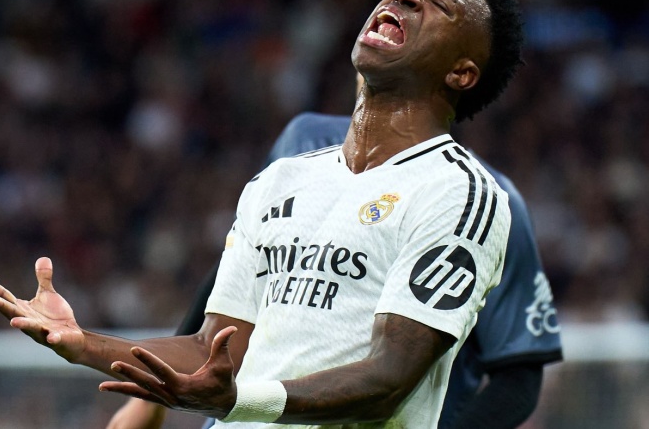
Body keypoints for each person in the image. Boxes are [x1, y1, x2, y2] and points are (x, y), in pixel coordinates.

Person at [0, 0, 523, 428]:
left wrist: (241, 401)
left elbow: (389, 379)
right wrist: (82, 343)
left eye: (439, 2)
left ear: (462, 73)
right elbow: (211, 350)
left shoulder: (458, 192)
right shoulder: (280, 181)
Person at [107, 108, 563, 429]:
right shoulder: (304, 142)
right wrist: (153, 400)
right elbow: (244, 270)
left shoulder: (480, 201)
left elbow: (518, 376)